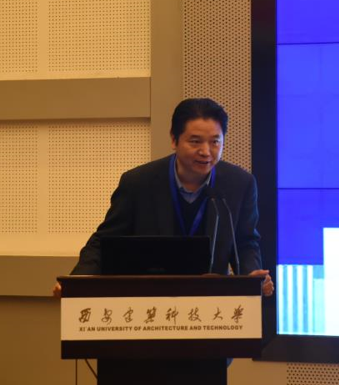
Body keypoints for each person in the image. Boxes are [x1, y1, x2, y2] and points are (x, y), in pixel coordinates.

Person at [54, 98, 273, 296]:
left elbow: (245, 241)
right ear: (174, 140)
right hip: (150, 299)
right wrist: (77, 282)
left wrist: (252, 276)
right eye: (195, 141)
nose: (206, 151)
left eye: (215, 142)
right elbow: (103, 241)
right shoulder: (138, 183)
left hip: (211, 301)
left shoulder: (240, 184)